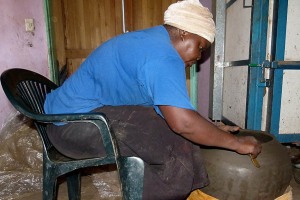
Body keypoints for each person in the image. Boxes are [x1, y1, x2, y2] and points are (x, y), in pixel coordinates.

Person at [44, 0, 262, 199]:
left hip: (75, 119)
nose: (198, 58)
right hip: (72, 126)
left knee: (173, 135)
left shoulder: (154, 43)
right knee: (174, 153)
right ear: (184, 33)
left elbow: (176, 111)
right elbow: (183, 123)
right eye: (200, 47)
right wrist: (236, 144)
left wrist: (211, 127)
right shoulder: (163, 56)